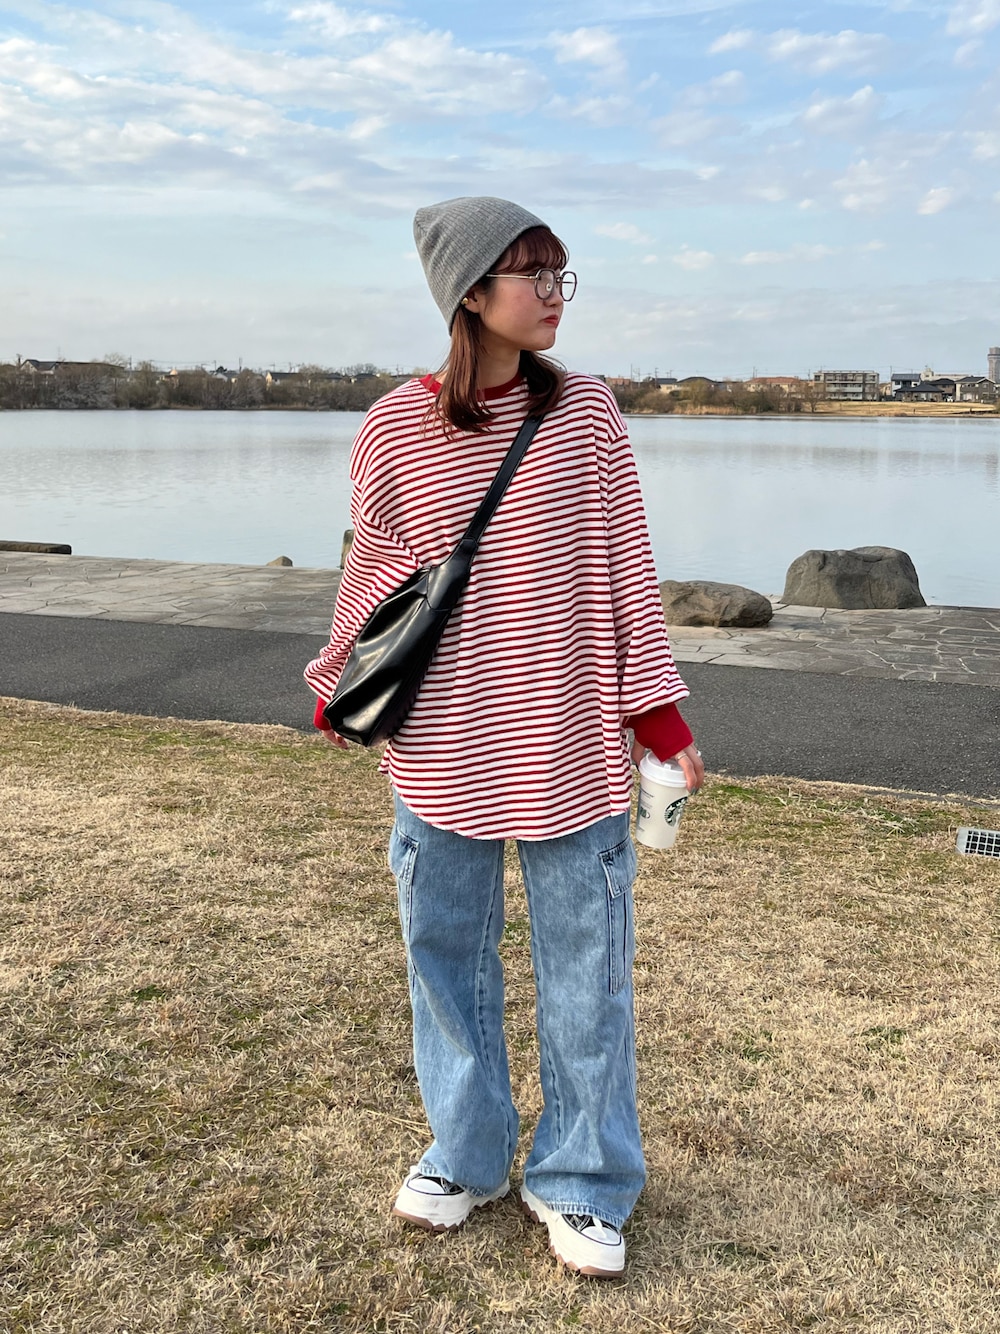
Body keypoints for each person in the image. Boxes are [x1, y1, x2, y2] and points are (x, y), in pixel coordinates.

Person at [305, 196, 703, 1278]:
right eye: (533, 272)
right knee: (444, 961)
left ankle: (582, 1178)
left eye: (560, 273)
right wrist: (342, 682)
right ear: (470, 292)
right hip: (441, 746)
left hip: (570, 744)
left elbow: (624, 566)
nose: (553, 293)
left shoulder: (587, 415)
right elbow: (376, 569)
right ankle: (467, 1152)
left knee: (588, 974)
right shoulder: (394, 426)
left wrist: (659, 718)